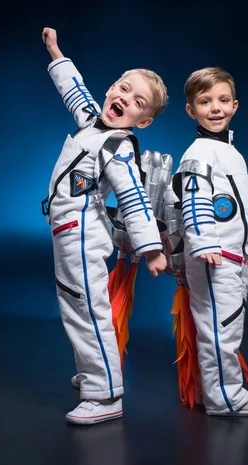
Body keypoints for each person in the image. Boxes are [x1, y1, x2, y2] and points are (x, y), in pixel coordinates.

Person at [41, 27, 168, 425]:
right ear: (112, 87)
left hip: (82, 233)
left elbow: (133, 197)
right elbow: (75, 91)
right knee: (76, 304)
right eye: (123, 89)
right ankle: (94, 372)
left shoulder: (117, 146)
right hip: (67, 232)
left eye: (136, 103)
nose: (123, 100)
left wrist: (151, 248)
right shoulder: (94, 124)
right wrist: (56, 51)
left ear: (142, 122)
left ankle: (107, 392)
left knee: (86, 309)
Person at [172, 66, 248, 416]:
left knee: (229, 323)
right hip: (214, 256)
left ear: (235, 105)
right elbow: (194, 203)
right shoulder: (198, 154)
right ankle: (225, 398)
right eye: (205, 101)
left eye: (223, 100)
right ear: (191, 109)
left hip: (234, 255)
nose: (215, 108)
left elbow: (243, 209)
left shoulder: (232, 153)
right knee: (219, 329)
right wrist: (204, 244)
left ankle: (223, 394)